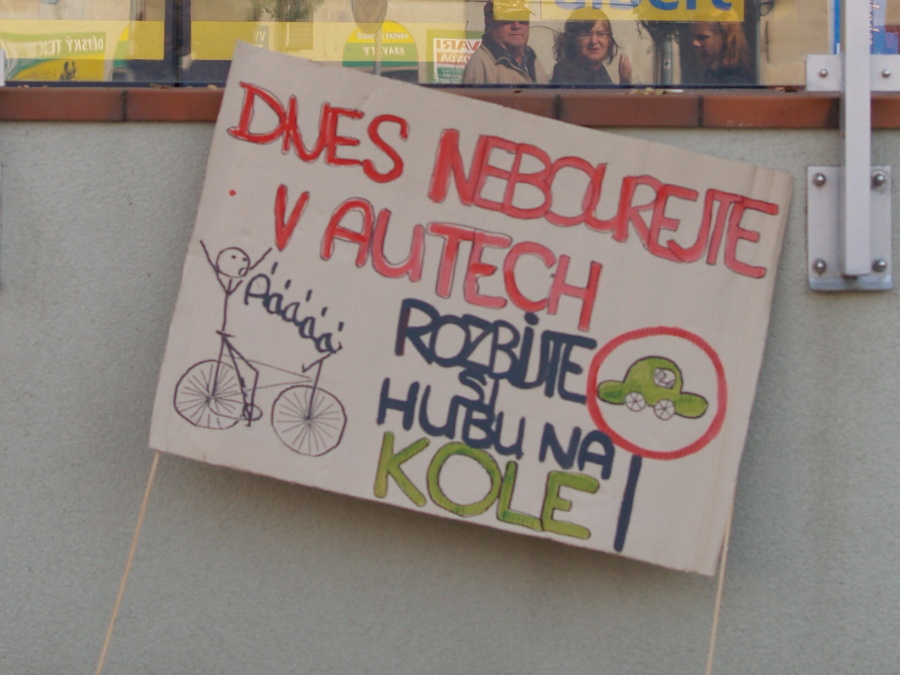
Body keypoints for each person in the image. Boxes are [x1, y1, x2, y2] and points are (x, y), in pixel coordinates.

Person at [462, 0, 549, 85]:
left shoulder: (532, 59)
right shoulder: (480, 64)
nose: (516, 26)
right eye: (508, 18)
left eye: (522, 18)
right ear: (490, 22)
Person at [551, 8, 632, 86]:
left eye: (600, 34)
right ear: (573, 40)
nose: (593, 41)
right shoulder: (565, 72)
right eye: (586, 34)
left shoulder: (597, 69)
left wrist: (624, 82)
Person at [691, 17, 753, 85]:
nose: (695, 43)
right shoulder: (708, 75)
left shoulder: (735, 81)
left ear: (724, 38)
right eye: (694, 37)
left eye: (702, 37)